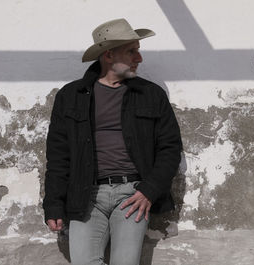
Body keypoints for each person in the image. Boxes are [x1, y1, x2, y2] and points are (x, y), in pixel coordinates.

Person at [43, 18, 182, 265]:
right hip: (86, 195)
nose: (139, 58)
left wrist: (148, 190)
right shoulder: (70, 96)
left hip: (132, 195)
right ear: (108, 55)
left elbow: (170, 149)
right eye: (132, 51)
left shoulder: (151, 95)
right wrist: (54, 204)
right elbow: (58, 155)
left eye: (138, 51)